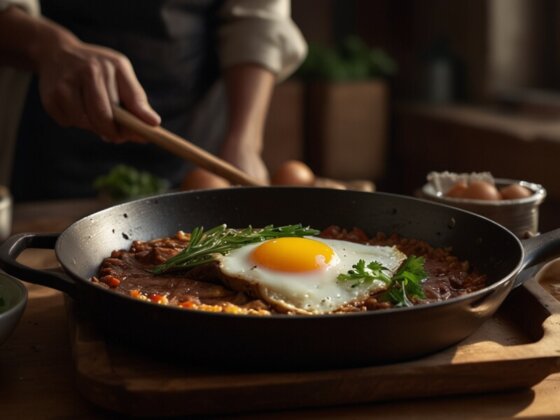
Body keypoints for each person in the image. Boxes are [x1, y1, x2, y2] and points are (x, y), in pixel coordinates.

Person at [0, 0, 307, 201]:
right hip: (46, 125)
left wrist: (245, 142)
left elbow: (258, 18)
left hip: (195, 119)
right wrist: (47, 46)